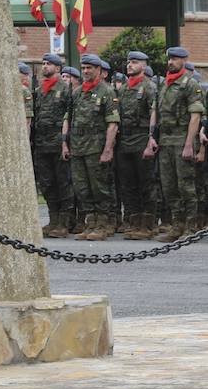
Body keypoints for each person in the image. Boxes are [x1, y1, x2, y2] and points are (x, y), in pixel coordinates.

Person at [153, 46, 204, 242]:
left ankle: (190, 228)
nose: (171, 62)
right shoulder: (165, 84)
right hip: (166, 142)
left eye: (175, 59)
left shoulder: (190, 85)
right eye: (169, 59)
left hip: (183, 140)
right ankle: (177, 225)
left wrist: (190, 144)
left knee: (186, 187)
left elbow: (195, 115)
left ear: (184, 60)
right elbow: (157, 113)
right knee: (169, 186)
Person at [69, 54, 120, 241]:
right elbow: (70, 119)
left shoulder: (107, 92)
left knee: (100, 187)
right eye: (83, 68)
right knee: (82, 188)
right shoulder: (77, 92)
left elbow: (113, 123)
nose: (85, 71)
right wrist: (66, 145)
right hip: (77, 147)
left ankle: (103, 225)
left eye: (89, 68)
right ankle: (90, 223)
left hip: (96, 147)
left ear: (98, 70)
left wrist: (108, 149)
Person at [116, 51, 159, 239]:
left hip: (142, 138)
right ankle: (134, 224)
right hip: (125, 140)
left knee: (146, 183)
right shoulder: (124, 89)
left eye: (134, 62)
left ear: (143, 65)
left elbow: (154, 113)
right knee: (128, 185)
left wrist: (151, 138)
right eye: (129, 62)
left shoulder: (149, 87)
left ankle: (148, 225)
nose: (129, 65)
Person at [32, 53, 75, 237]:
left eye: (48, 64)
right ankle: (53, 220)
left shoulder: (66, 89)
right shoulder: (40, 90)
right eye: (43, 63)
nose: (44, 66)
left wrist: (67, 142)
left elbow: (70, 117)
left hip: (58, 142)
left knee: (62, 183)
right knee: (47, 184)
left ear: (58, 68)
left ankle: (65, 224)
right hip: (42, 143)